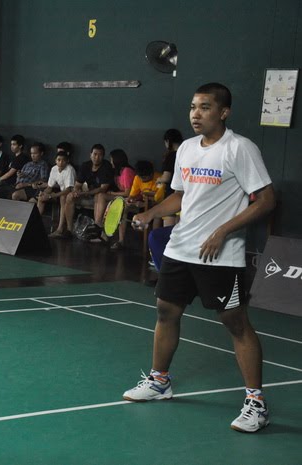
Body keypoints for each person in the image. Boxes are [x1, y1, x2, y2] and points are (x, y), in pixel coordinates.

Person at [124, 82, 276, 433]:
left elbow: (266, 200)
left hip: (221, 255)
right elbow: (181, 195)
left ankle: (256, 403)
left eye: (205, 107)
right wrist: (150, 214)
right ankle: (160, 381)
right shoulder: (187, 149)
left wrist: (223, 231)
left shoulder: (240, 149)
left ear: (224, 112)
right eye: (193, 106)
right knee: (166, 310)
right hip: (181, 248)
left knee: (235, 321)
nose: (196, 113)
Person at [62, 144, 113, 236]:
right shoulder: (85, 165)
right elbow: (77, 184)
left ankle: (97, 230)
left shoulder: (106, 166)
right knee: (69, 196)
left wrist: (85, 193)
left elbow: (103, 188)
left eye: (100, 155)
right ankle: (69, 229)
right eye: (95, 154)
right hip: (87, 195)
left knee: (99, 196)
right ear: (90, 155)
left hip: (102, 197)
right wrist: (76, 191)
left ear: (103, 156)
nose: (97, 157)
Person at [110, 160, 162, 250]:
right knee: (124, 208)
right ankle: (121, 241)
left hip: (156, 205)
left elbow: (159, 200)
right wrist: (130, 200)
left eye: (145, 177)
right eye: (140, 177)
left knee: (157, 216)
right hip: (141, 204)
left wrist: (143, 204)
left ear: (151, 174)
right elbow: (132, 194)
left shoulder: (160, 179)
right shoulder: (137, 178)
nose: (142, 180)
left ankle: (154, 247)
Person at [91, 149, 135, 236]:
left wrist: (112, 194)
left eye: (112, 160)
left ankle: (98, 224)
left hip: (130, 198)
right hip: (120, 196)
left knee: (102, 197)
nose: (111, 162)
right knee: (98, 196)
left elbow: (127, 193)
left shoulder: (126, 171)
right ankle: (98, 226)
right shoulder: (117, 171)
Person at [36, 152, 76, 237]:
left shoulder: (70, 170)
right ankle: (35, 224)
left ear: (67, 161)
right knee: (41, 198)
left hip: (72, 194)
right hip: (60, 193)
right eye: (59, 160)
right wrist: (44, 193)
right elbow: (50, 187)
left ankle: (60, 229)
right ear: (55, 160)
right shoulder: (54, 169)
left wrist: (51, 196)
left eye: (63, 160)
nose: (61, 162)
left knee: (63, 197)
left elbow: (68, 190)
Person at [155, 128, 183, 228]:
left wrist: (158, 179)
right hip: (185, 196)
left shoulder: (171, 156)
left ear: (168, 141)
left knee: (168, 231)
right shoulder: (187, 153)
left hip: (172, 195)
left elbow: (166, 177)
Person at [0, 134, 29, 198]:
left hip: (13, 184)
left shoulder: (22, 158)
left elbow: (10, 173)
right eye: (11, 144)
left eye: (14, 144)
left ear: (20, 146)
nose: (12, 146)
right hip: (7, 183)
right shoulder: (13, 158)